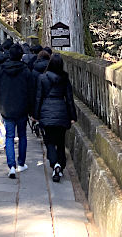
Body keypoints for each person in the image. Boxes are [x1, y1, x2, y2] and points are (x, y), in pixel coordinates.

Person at [0, 43, 35, 178]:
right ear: (21, 56)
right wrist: (32, 110)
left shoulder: (1, 70)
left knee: (9, 137)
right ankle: (21, 163)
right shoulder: (26, 71)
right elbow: (31, 92)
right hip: (22, 108)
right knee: (22, 136)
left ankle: (11, 166)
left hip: (6, 108)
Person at [34, 53, 77, 183]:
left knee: (49, 141)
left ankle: (55, 164)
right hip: (61, 112)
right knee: (61, 141)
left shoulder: (42, 78)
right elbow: (69, 99)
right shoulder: (65, 78)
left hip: (46, 113)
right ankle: (60, 164)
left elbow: (38, 98)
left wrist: (36, 115)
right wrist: (72, 116)